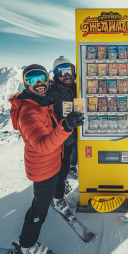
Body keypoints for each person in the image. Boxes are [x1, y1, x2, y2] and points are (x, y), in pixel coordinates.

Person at [8, 64, 84, 254]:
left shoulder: (45, 101)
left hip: (52, 162)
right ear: (25, 84)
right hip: (43, 168)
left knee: (42, 203)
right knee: (39, 209)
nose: (39, 83)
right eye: (32, 80)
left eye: (41, 77)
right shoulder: (28, 112)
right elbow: (42, 145)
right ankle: (26, 245)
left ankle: (27, 240)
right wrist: (66, 126)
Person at [50, 56, 79, 192]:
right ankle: (57, 194)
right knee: (62, 166)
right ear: (56, 75)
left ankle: (72, 167)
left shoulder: (78, 86)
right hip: (63, 136)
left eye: (69, 70)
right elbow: (58, 107)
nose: (67, 75)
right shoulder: (53, 91)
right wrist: (67, 120)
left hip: (78, 131)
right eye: (62, 72)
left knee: (78, 153)